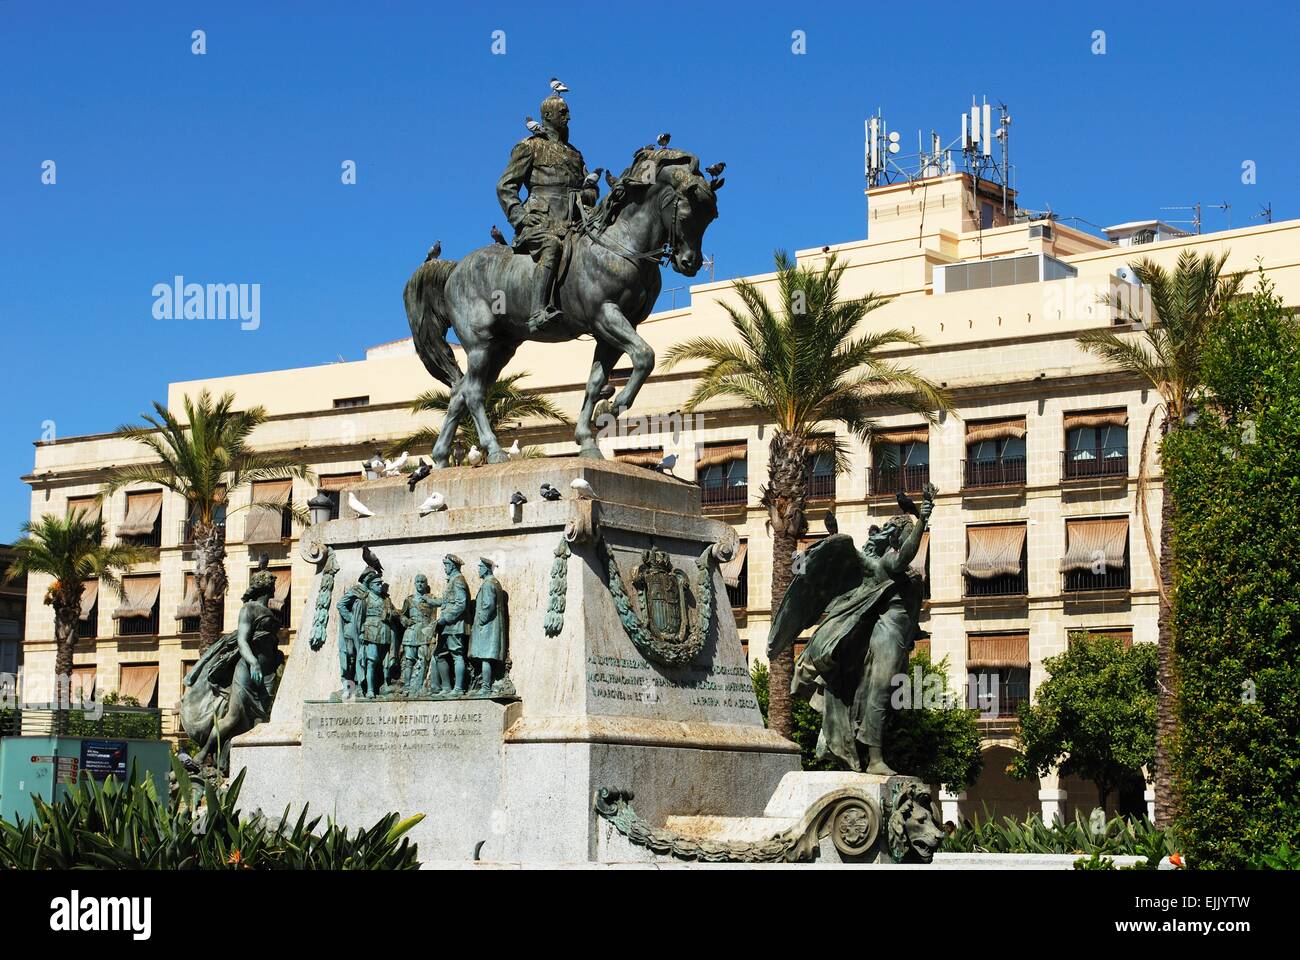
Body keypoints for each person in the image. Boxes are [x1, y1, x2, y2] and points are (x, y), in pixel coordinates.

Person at [496, 93, 598, 334]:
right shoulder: (529, 146)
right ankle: (537, 310)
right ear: (548, 116)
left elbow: (590, 187)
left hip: (575, 221)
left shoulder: (575, 154)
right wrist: (519, 217)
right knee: (551, 246)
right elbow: (506, 186)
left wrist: (588, 195)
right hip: (541, 222)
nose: (569, 117)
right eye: (563, 113)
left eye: (567, 112)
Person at [183, 571, 284, 773]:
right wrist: (253, 662)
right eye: (271, 583)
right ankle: (202, 755)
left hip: (267, 676)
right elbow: (242, 641)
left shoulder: (271, 614)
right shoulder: (248, 609)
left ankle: (232, 765)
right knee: (234, 716)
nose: (275, 586)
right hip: (247, 670)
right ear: (264, 587)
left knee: (258, 722)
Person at [432, 555, 471, 695]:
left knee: (457, 654)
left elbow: (461, 604)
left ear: (453, 566)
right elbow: (447, 601)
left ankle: (459, 688)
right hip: (446, 626)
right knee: (439, 654)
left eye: (446, 565)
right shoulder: (452, 581)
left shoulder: (459, 580)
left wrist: (446, 618)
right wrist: (433, 602)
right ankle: (447, 687)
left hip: (454, 625)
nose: (445, 568)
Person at [469, 558, 507, 694]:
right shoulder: (494, 583)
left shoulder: (488, 584)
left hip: (487, 627)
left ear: (485, 568)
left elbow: (488, 605)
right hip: (491, 626)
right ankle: (485, 685)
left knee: (486, 656)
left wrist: (480, 620)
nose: (478, 570)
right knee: (487, 656)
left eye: (480, 567)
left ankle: (486, 687)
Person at [398, 573, 438, 694]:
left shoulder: (431, 599)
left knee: (424, 659)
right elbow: (402, 615)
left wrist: (433, 635)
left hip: (425, 633)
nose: (420, 584)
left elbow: (433, 617)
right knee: (409, 660)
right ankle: (407, 685)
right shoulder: (409, 600)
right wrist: (406, 621)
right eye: (418, 582)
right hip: (411, 633)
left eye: (422, 582)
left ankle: (419, 685)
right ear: (415, 584)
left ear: (426, 584)